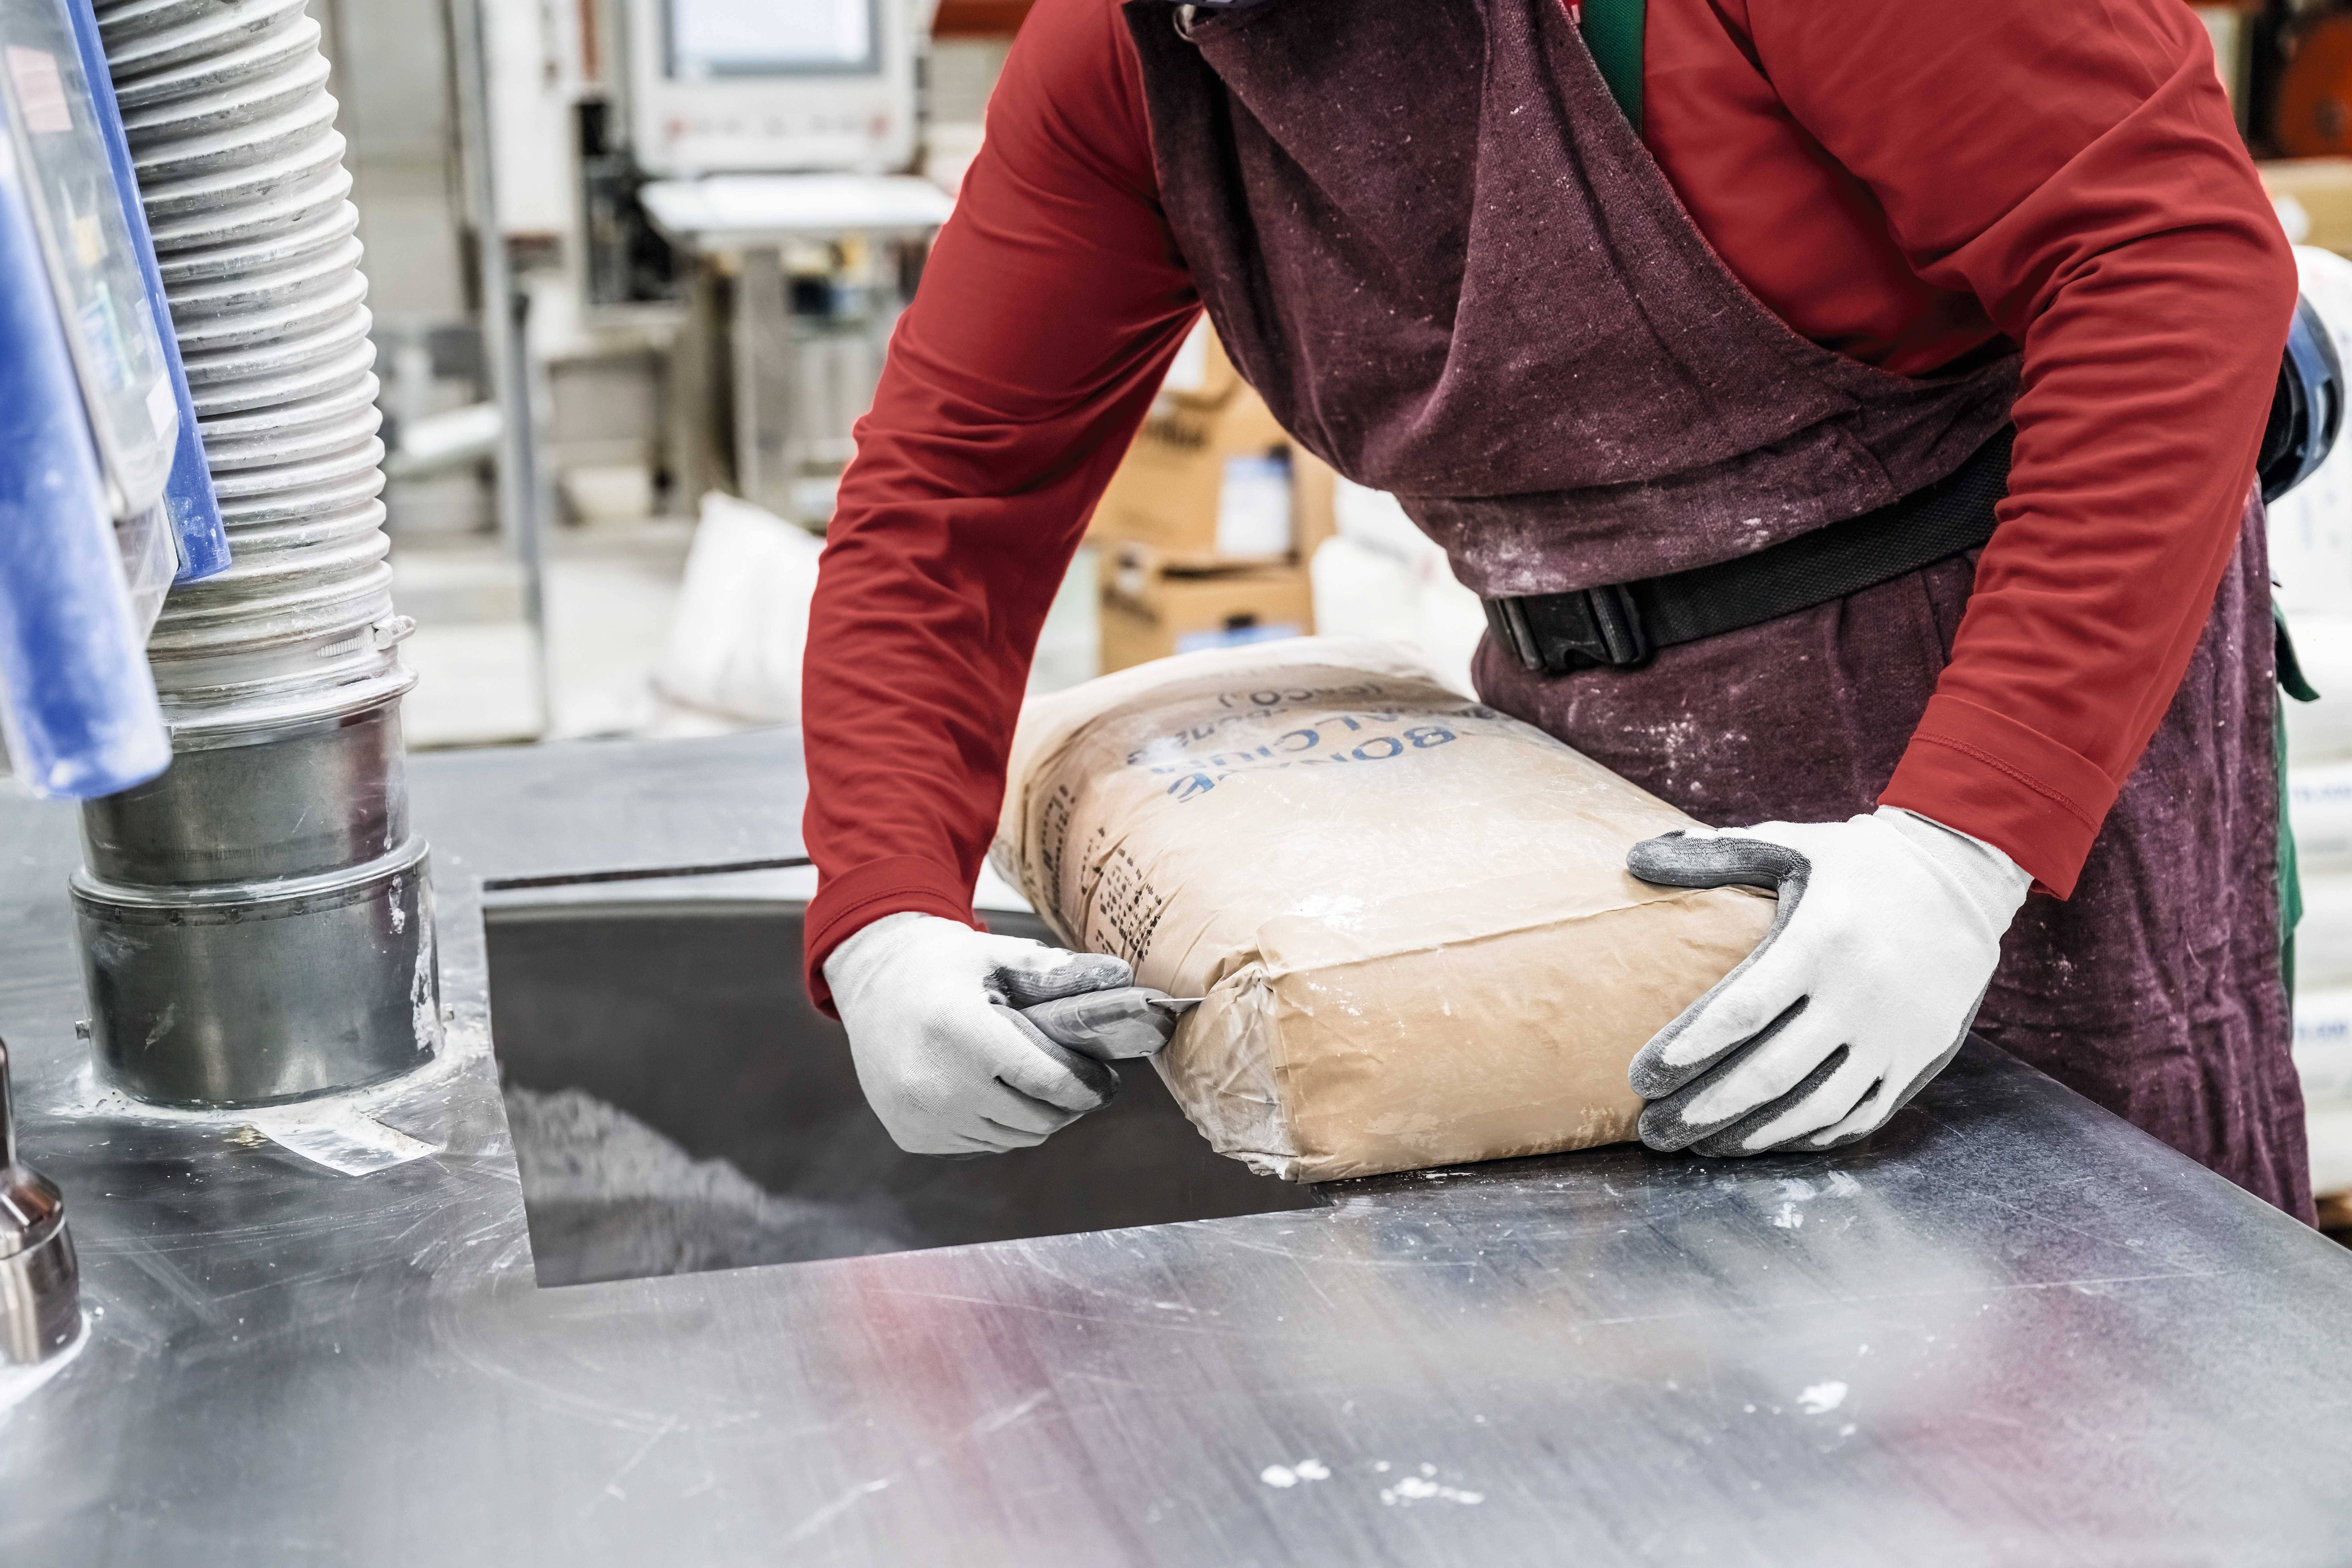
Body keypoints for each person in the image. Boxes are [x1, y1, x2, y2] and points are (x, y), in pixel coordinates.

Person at [801, 0, 2314, 1219]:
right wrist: (883, 916)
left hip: (2012, 711)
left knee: (2093, 1334)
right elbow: (951, 499)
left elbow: (2169, 269)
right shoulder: (1135, 59)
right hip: (1592, 767)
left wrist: (1960, 851)